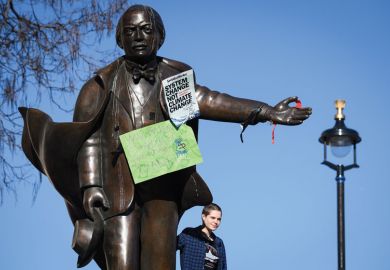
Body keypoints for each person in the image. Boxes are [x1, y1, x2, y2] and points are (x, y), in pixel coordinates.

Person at [19, 4, 311, 270]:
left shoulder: (172, 77)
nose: (139, 36)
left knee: (160, 264)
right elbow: (89, 140)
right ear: (120, 39)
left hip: (163, 188)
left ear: (159, 36)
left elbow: (210, 101)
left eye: (147, 29)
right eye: (130, 31)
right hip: (117, 192)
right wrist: (91, 187)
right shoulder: (100, 85)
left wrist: (265, 111)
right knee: (121, 264)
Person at [177, 203, 227, 270]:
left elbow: (223, 267)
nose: (216, 221)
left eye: (219, 219)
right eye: (213, 218)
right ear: (204, 217)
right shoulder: (189, 234)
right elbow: (168, 246)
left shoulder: (219, 243)